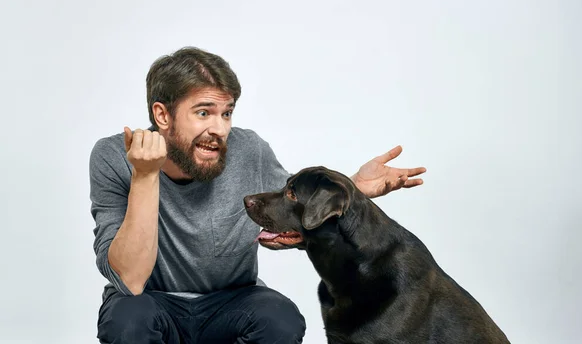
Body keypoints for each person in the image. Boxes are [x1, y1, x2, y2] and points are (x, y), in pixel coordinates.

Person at [89, 46, 427, 343]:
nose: (219, 129)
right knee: (128, 321)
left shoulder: (248, 149)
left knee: (279, 320)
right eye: (203, 112)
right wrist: (146, 175)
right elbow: (129, 280)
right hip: (151, 301)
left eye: (227, 113)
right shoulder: (114, 157)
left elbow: (299, 209)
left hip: (231, 303)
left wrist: (352, 189)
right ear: (162, 115)